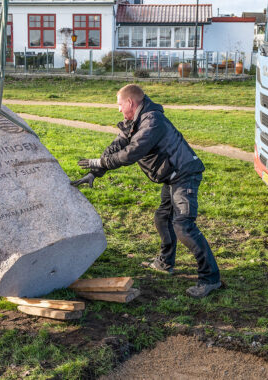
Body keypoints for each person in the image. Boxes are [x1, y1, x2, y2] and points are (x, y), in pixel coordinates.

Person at [71, 84, 221, 298]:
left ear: (130, 103)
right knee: (162, 217)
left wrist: (100, 161)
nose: (119, 109)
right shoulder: (135, 121)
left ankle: (210, 279)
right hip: (172, 177)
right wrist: (95, 172)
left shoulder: (152, 121)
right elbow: (117, 146)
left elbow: (132, 152)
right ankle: (165, 262)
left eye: (120, 105)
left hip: (184, 174)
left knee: (183, 226)